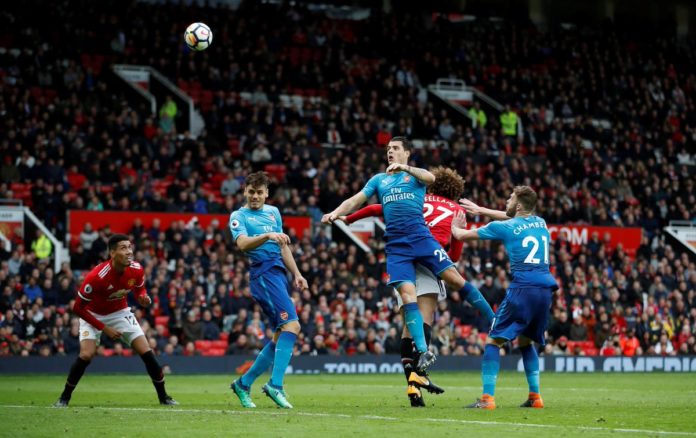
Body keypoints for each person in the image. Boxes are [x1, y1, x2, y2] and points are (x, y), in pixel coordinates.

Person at [322, 136, 488, 384]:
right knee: (417, 298)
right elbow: (358, 200)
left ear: (407, 153)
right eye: (388, 149)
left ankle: (492, 322)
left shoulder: (417, 179)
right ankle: (424, 354)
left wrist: (405, 168)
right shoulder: (380, 180)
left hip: (421, 240)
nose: (390, 152)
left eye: (395, 148)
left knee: (447, 286)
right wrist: (338, 213)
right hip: (399, 248)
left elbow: (429, 178)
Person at [453, 186, 558, 410]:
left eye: (511, 198)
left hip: (523, 288)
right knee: (526, 341)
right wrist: (482, 209)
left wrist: (455, 227)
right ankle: (535, 396)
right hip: (545, 290)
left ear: (518, 205)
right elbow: (513, 218)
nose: (507, 200)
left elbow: (461, 236)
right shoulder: (540, 223)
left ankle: (487, 399)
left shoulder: (503, 227)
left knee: (493, 341)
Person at [53, 234, 177, 407]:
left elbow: (140, 289)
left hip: (119, 313)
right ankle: (64, 398)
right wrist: (104, 328)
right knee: (86, 355)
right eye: (123, 248)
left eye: (130, 247)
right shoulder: (96, 277)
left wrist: (143, 297)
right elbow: (78, 308)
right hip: (93, 315)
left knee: (147, 351)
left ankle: (164, 397)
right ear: (112, 253)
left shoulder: (137, 269)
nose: (129, 251)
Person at [229, 171, 308, 409]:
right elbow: (242, 244)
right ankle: (276, 385)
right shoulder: (238, 216)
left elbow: (283, 247)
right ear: (245, 191)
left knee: (280, 335)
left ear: (266, 193)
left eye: (259, 192)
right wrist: (267, 235)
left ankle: (243, 384)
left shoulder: (274, 212)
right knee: (292, 326)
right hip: (263, 274)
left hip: (279, 273)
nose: (255, 196)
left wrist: (297, 273)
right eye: (251, 192)